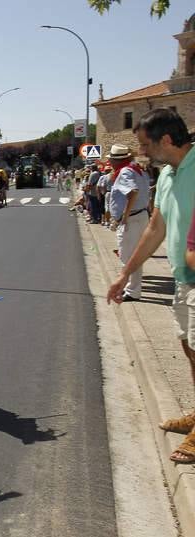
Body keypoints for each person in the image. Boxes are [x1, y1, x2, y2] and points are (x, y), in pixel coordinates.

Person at [105, 109, 195, 463]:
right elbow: (155, 226)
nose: (141, 151)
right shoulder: (169, 175)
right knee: (189, 347)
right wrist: (125, 273)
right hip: (183, 279)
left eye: (145, 144)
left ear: (167, 140)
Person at [106, 144, 150, 301]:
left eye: (111, 159)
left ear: (117, 160)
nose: (110, 162)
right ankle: (133, 288)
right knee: (134, 255)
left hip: (132, 218)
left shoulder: (125, 172)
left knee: (127, 256)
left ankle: (132, 290)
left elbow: (133, 192)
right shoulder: (139, 170)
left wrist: (124, 216)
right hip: (141, 215)